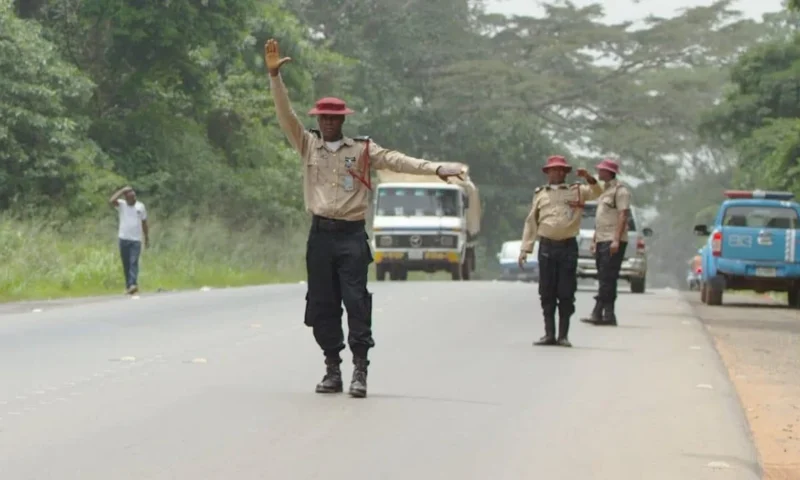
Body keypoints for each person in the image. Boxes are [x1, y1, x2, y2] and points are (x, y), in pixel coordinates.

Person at [264, 38, 464, 398]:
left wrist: (436, 169)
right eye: (322, 117)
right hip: (320, 237)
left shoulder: (363, 150)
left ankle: (360, 370)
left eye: (333, 118)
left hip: (352, 237)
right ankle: (332, 368)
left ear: (342, 120)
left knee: (356, 302)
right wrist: (275, 76)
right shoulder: (307, 144)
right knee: (322, 304)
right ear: (318, 120)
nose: (327, 123)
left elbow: (399, 160)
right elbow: (284, 115)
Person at [518, 155, 603, 347]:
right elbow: (531, 222)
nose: (556, 173)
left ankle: (563, 335)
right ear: (547, 173)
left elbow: (598, 192)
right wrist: (525, 249)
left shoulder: (577, 190)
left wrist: (588, 176)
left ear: (565, 172)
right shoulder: (540, 194)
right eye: (553, 170)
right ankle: (549, 334)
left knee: (566, 292)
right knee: (546, 292)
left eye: (560, 170)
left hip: (567, 247)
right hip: (547, 246)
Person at [580, 159, 630, 326]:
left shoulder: (620, 191)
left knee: (607, 277)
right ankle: (608, 315)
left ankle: (597, 312)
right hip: (602, 238)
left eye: (601, 170)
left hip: (613, 239)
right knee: (605, 277)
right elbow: (600, 219)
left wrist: (616, 240)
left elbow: (623, 216)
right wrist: (595, 240)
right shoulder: (605, 191)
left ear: (609, 172)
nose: (599, 173)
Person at [108, 186, 149, 295]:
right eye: (131, 197)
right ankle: (129, 286)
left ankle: (133, 284)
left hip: (136, 239)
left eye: (134, 196)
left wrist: (146, 238)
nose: (133, 199)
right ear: (126, 198)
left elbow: (144, 223)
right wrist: (122, 190)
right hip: (123, 238)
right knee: (126, 263)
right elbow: (111, 200)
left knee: (133, 262)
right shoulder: (122, 204)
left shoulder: (140, 206)